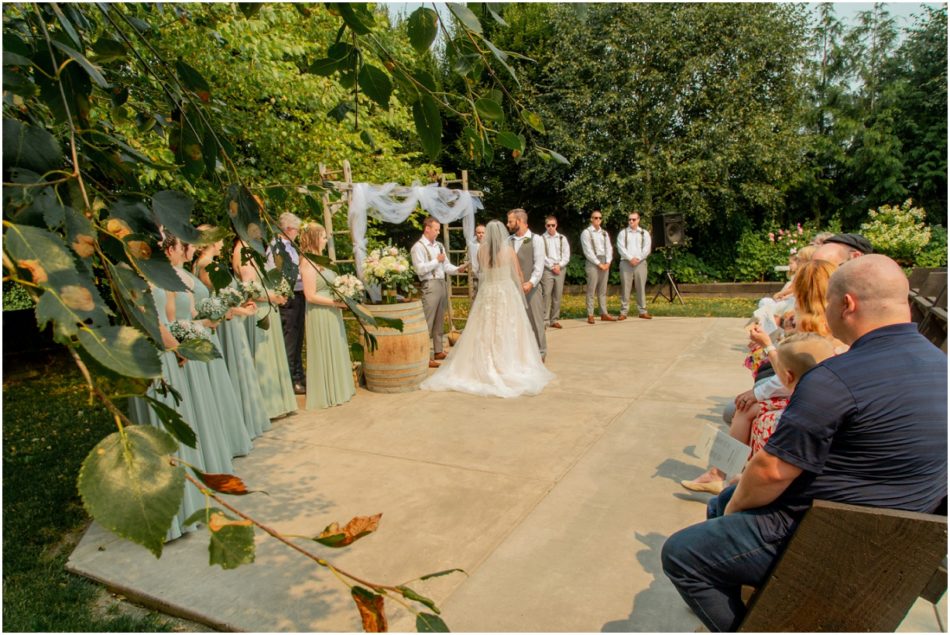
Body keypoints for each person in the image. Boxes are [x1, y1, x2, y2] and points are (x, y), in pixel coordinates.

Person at [662, 255, 948, 632]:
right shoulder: (940, 365)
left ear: (846, 305)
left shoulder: (835, 379)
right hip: (901, 538)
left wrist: (735, 507)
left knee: (683, 552)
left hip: (820, 534)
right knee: (718, 504)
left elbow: (769, 471)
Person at [682, 259, 841, 494]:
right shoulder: (825, 320)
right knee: (744, 409)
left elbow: (791, 376)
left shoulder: (814, 326)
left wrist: (767, 347)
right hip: (805, 392)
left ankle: (731, 476)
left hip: (804, 395)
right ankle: (722, 474)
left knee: (743, 408)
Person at [421, 220, 555, 398]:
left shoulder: (481, 251)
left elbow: (478, 272)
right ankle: (509, 364)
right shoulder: (508, 251)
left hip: (487, 292)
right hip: (505, 292)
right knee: (509, 327)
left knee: (484, 328)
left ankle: (483, 362)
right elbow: (518, 274)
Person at [193, 230, 271, 440]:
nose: (222, 242)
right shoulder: (207, 266)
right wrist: (240, 310)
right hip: (226, 324)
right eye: (218, 239)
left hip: (231, 319)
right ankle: (238, 424)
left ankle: (244, 421)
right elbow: (214, 302)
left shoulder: (205, 264)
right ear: (210, 242)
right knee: (235, 369)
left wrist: (241, 303)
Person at [232, 238, 298, 419]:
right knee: (263, 356)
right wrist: (273, 296)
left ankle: (279, 402)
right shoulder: (242, 250)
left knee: (273, 355)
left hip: (267, 308)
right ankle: (267, 406)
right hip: (259, 311)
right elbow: (250, 288)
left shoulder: (252, 249)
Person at [298, 222, 355, 409]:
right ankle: (327, 391)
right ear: (314, 239)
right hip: (320, 313)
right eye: (323, 236)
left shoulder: (321, 260)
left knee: (335, 346)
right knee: (324, 348)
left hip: (331, 311)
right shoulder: (307, 262)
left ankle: (338, 388)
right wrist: (336, 303)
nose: (326, 240)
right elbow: (310, 295)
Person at [411, 216, 467, 368]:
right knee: (427, 322)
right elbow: (420, 269)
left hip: (442, 284)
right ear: (427, 228)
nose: (437, 232)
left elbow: (446, 266)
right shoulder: (418, 247)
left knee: (439, 321)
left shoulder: (439, 246)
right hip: (429, 285)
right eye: (436, 229)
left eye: (439, 230)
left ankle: (438, 351)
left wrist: (458, 269)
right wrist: (437, 260)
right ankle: (424, 356)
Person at [266, 212, 306, 395]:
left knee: (297, 338)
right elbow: (275, 272)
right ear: (288, 229)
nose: (298, 233)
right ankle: (291, 379)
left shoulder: (289, 246)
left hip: (298, 293)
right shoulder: (276, 247)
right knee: (290, 338)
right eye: (296, 230)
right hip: (287, 296)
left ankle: (299, 375)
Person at [507, 208, 546, 358]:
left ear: (520, 221)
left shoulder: (536, 239)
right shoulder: (508, 241)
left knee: (535, 321)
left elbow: (539, 265)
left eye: (510, 221)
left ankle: (541, 352)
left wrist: (531, 283)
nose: (508, 224)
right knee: (514, 322)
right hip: (512, 289)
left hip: (532, 289)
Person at [616, 211, 652, 320]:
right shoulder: (623, 233)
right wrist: (630, 258)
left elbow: (647, 248)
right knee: (625, 288)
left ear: (638, 220)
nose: (631, 221)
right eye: (629, 219)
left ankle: (642, 311)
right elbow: (621, 248)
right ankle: (624, 312)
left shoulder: (644, 233)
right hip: (626, 263)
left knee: (641, 287)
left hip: (640, 263)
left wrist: (638, 258)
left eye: (633, 219)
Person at [580, 209, 614, 323]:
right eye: (595, 217)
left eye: (599, 218)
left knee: (602, 290)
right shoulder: (586, 233)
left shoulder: (604, 233)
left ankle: (604, 313)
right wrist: (599, 263)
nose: (597, 220)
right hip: (593, 261)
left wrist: (608, 262)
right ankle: (590, 314)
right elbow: (588, 251)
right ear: (591, 219)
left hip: (604, 260)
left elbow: (609, 248)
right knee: (591, 289)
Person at [541, 215, 570, 329]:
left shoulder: (562, 238)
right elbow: (541, 255)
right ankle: (544, 320)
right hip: (547, 269)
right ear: (545, 226)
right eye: (548, 225)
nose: (551, 227)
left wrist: (560, 265)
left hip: (560, 269)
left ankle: (554, 319)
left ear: (556, 225)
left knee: (557, 295)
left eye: (553, 225)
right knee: (546, 294)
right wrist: (552, 266)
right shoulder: (541, 238)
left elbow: (566, 255)